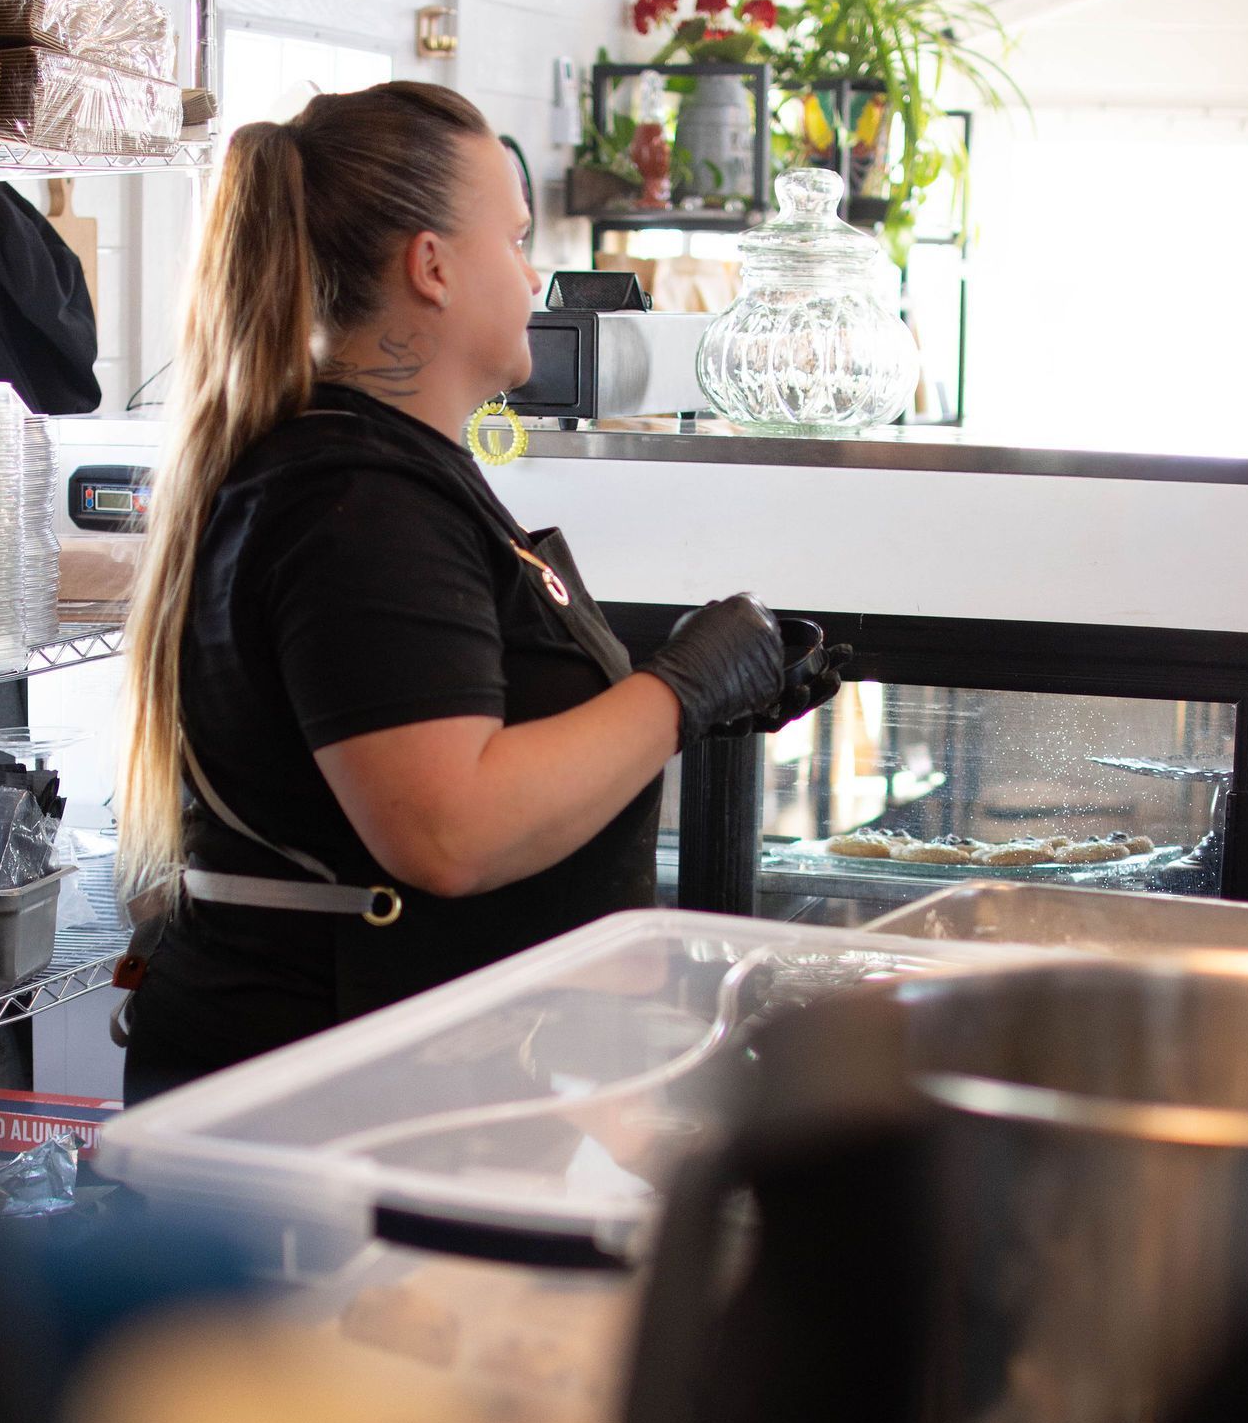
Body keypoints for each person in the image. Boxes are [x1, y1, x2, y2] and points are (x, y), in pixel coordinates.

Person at [115, 83, 841, 1104]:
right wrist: (677, 691)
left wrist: (702, 700)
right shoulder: (354, 499)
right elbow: (452, 830)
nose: (533, 273)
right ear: (433, 266)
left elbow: (468, 737)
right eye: (513, 239)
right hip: (316, 1104)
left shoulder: (382, 471)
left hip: (402, 1071)